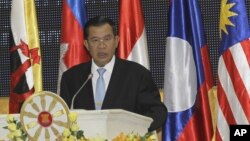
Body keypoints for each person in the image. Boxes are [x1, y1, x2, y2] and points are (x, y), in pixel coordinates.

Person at [60, 16, 167, 132]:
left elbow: (158, 112)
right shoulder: (71, 77)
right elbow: (62, 117)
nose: (102, 46)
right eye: (95, 40)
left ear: (116, 41)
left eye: (107, 39)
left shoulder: (137, 74)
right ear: (86, 44)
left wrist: (133, 132)